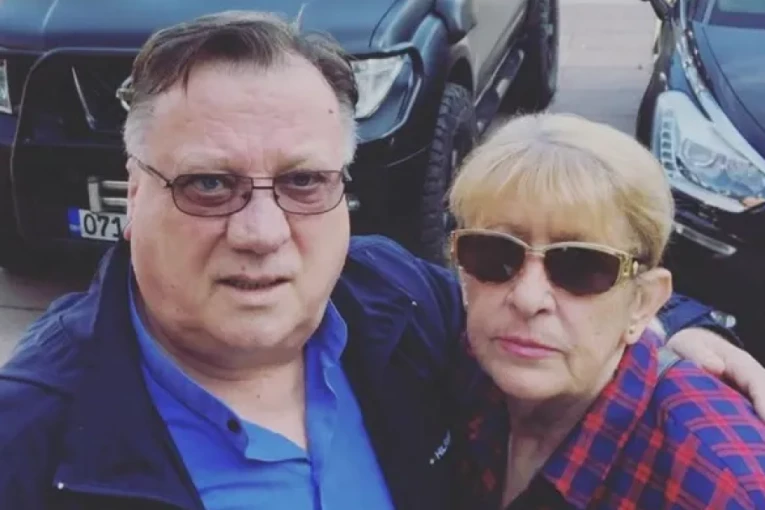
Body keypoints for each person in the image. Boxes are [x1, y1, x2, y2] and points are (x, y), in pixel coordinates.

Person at [0, 10, 762, 510]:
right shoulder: (30, 442)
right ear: (134, 194)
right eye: (207, 185)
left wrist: (677, 326)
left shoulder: (388, 298)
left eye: (303, 182)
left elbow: (527, 292)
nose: (261, 232)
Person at [449, 113, 765, 509]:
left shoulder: (722, 484)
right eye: (494, 254)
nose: (528, 298)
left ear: (643, 303)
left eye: (581, 266)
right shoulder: (454, 369)